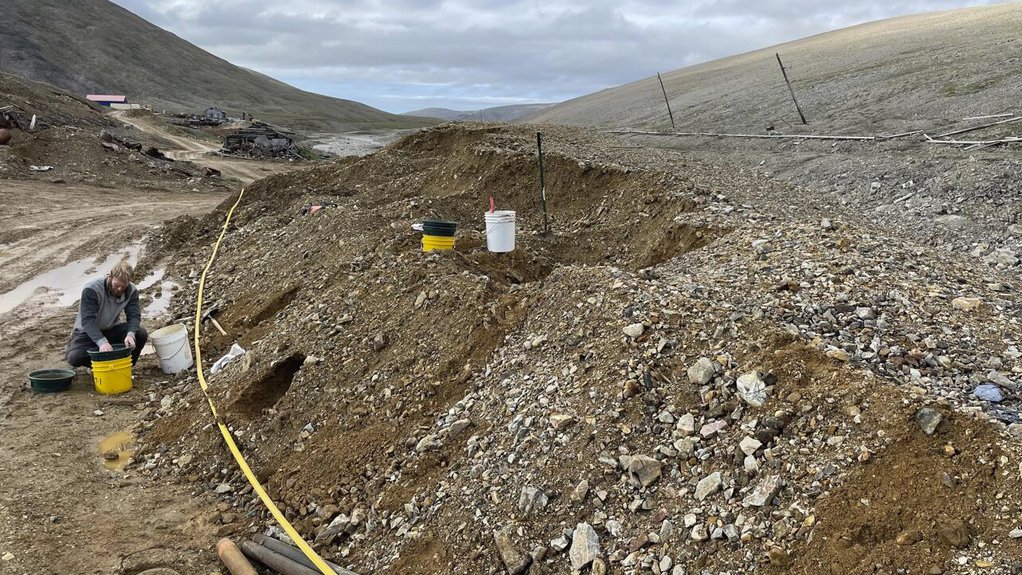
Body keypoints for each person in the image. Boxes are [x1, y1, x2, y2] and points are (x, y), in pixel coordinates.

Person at [65, 261, 148, 368]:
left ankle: (126, 367)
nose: (119, 289)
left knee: (140, 334)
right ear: (111, 276)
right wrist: (102, 342)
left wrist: (130, 335)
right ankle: (98, 365)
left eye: (123, 287)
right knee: (75, 357)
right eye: (117, 285)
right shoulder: (92, 289)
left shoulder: (131, 290)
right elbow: (87, 321)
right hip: (86, 333)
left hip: (111, 329)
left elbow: (134, 316)